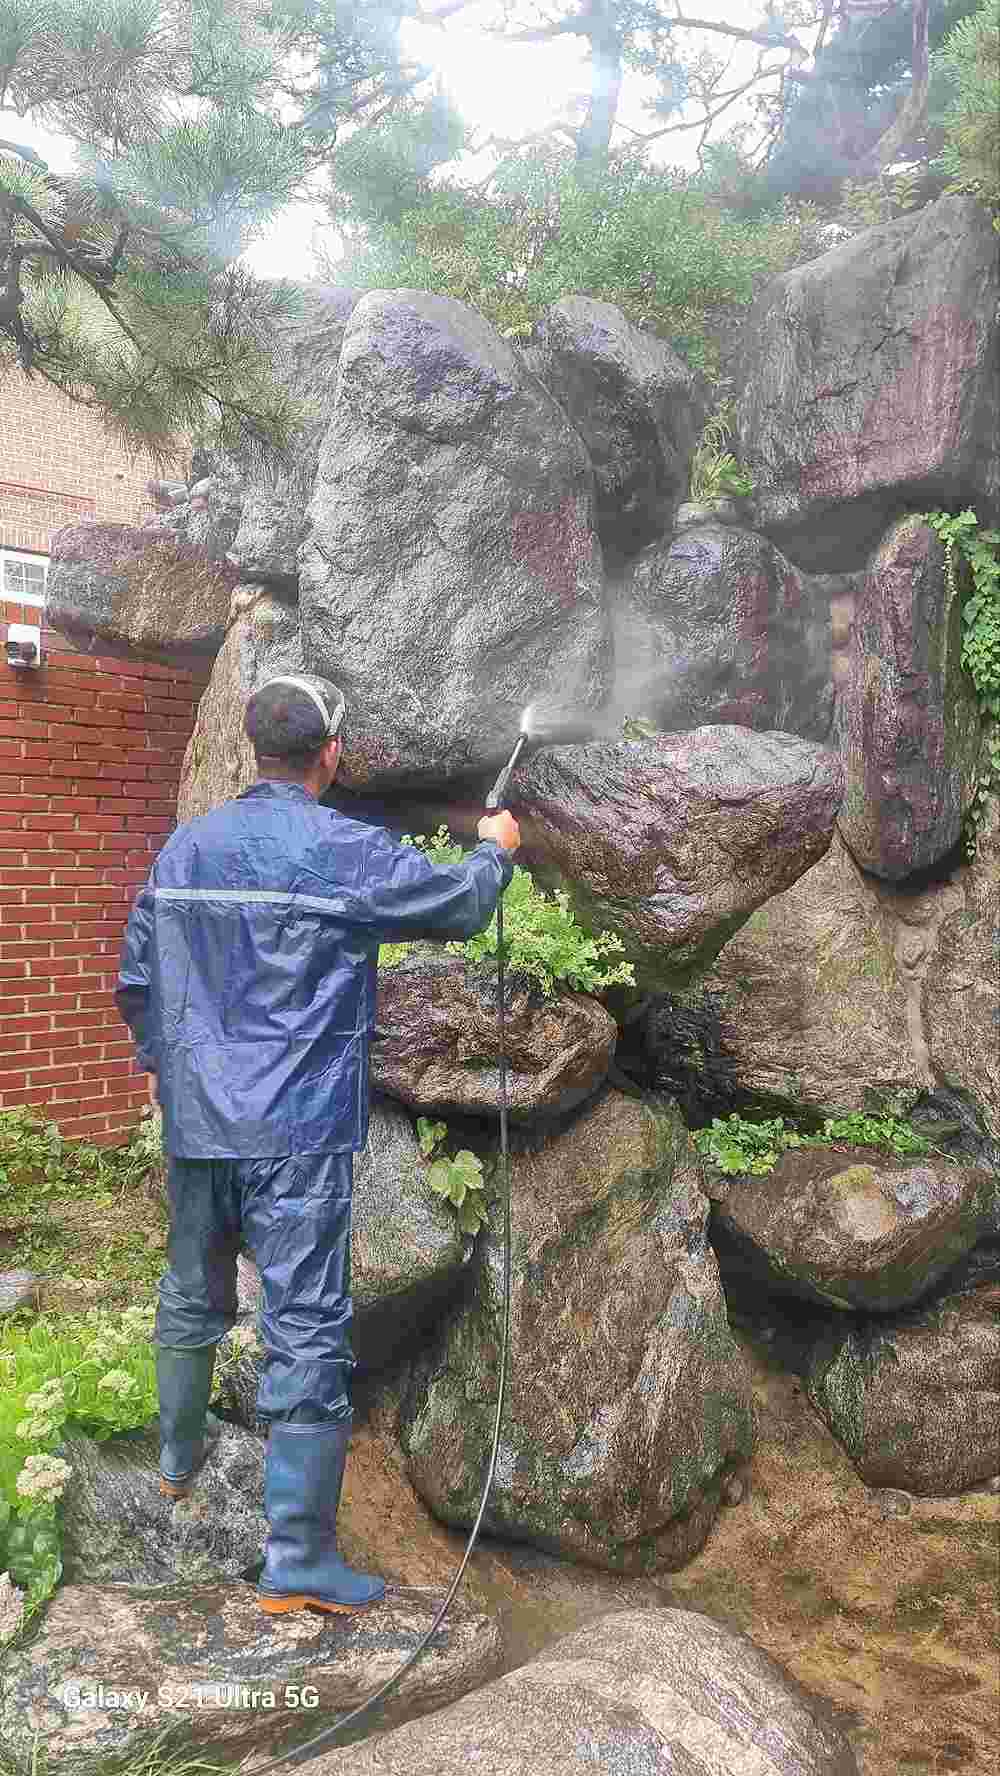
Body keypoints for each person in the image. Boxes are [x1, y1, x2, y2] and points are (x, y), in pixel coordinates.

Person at [115, 674, 520, 1617]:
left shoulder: (187, 845)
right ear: (329, 754)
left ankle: (175, 1461)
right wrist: (494, 853)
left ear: (257, 747)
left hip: (200, 1124)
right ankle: (296, 1557)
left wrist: (177, 1075)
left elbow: (137, 976)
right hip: (296, 1132)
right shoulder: (337, 847)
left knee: (189, 1290)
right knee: (305, 1326)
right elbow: (458, 907)